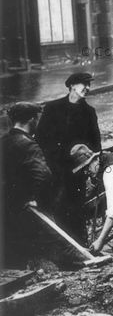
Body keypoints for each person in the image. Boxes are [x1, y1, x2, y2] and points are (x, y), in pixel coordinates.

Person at [36, 72, 101, 247]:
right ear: (72, 85)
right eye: (84, 84)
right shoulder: (53, 108)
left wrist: (88, 161)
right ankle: (59, 248)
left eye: (89, 85)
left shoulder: (89, 112)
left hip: (77, 170)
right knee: (56, 206)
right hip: (55, 167)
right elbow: (40, 137)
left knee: (76, 207)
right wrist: (53, 158)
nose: (87, 88)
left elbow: (96, 143)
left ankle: (79, 246)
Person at [1, 103, 56, 268]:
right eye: (37, 118)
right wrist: (37, 199)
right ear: (32, 119)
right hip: (24, 209)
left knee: (10, 255)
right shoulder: (28, 145)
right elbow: (44, 175)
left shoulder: (3, 142)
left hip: (6, 207)